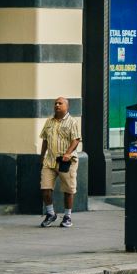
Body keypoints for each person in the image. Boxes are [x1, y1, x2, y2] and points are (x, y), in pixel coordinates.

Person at [38, 96, 81, 228]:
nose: (57, 105)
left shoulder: (72, 122)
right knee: (45, 189)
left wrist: (68, 153)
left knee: (68, 190)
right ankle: (51, 213)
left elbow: (76, 139)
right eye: (56, 103)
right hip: (50, 161)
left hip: (66, 162)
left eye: (60, 103)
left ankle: (67, 216)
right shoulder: (49, 122)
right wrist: (42, 156)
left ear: (67, 106)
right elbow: (45, 139)